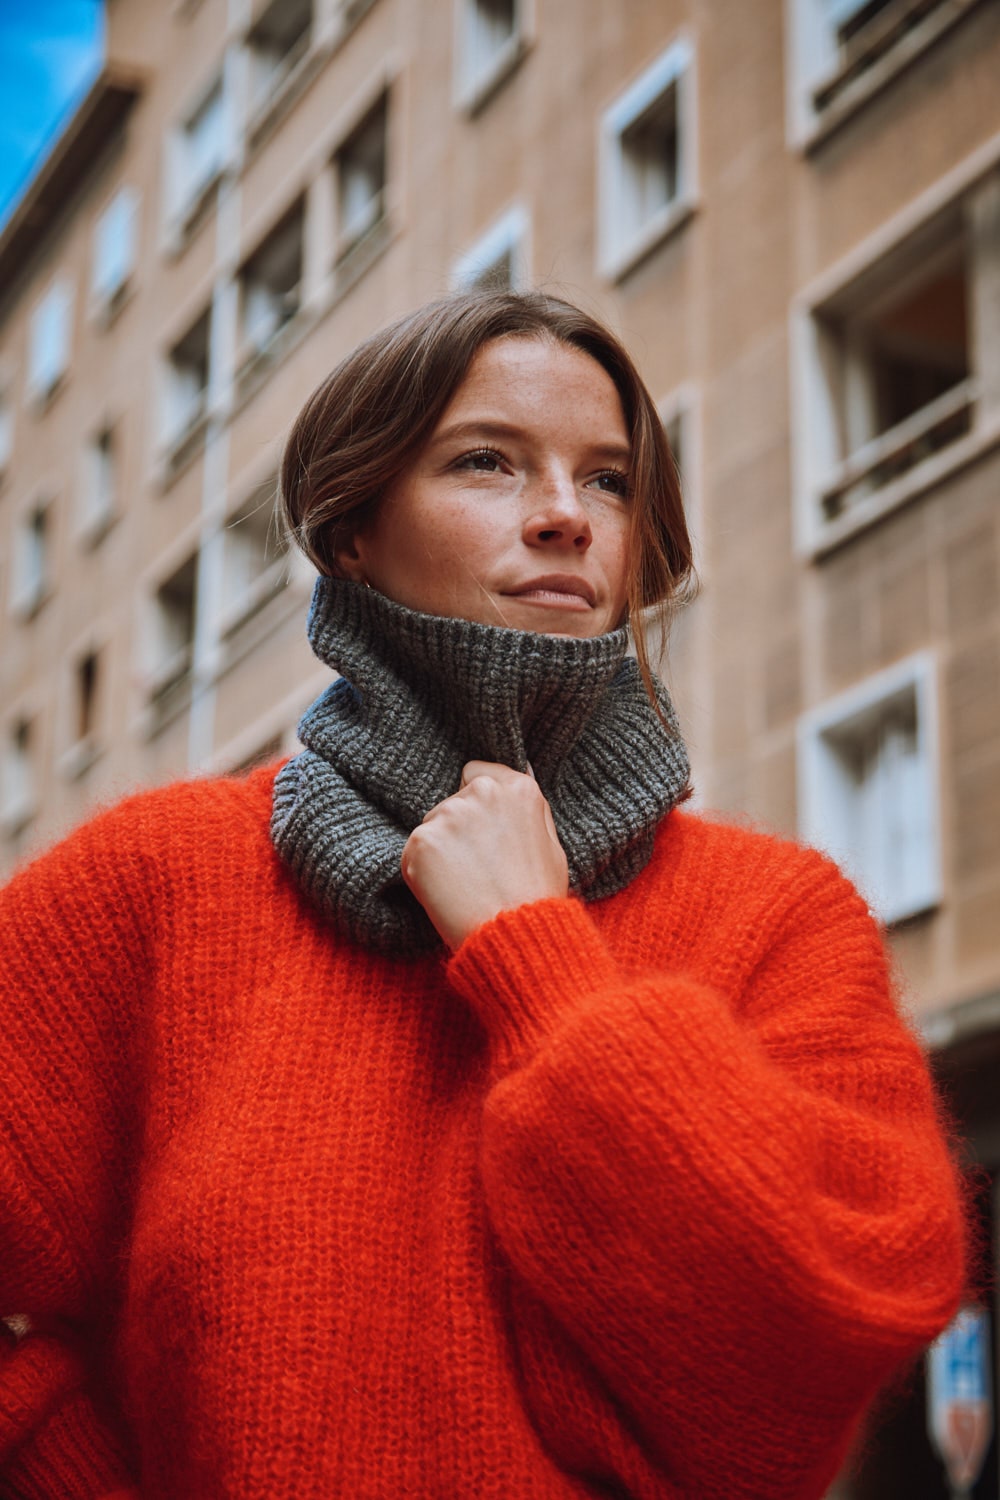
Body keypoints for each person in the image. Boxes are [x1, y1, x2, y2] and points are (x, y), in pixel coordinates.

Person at [0, 291, 966, 1500]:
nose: (565, 516)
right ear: (352, 528)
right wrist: (54, 1460)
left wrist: (534, 960)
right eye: (487, 462)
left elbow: (835, 1319)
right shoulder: (163, 883)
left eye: (609, 481)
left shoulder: (774, 914)